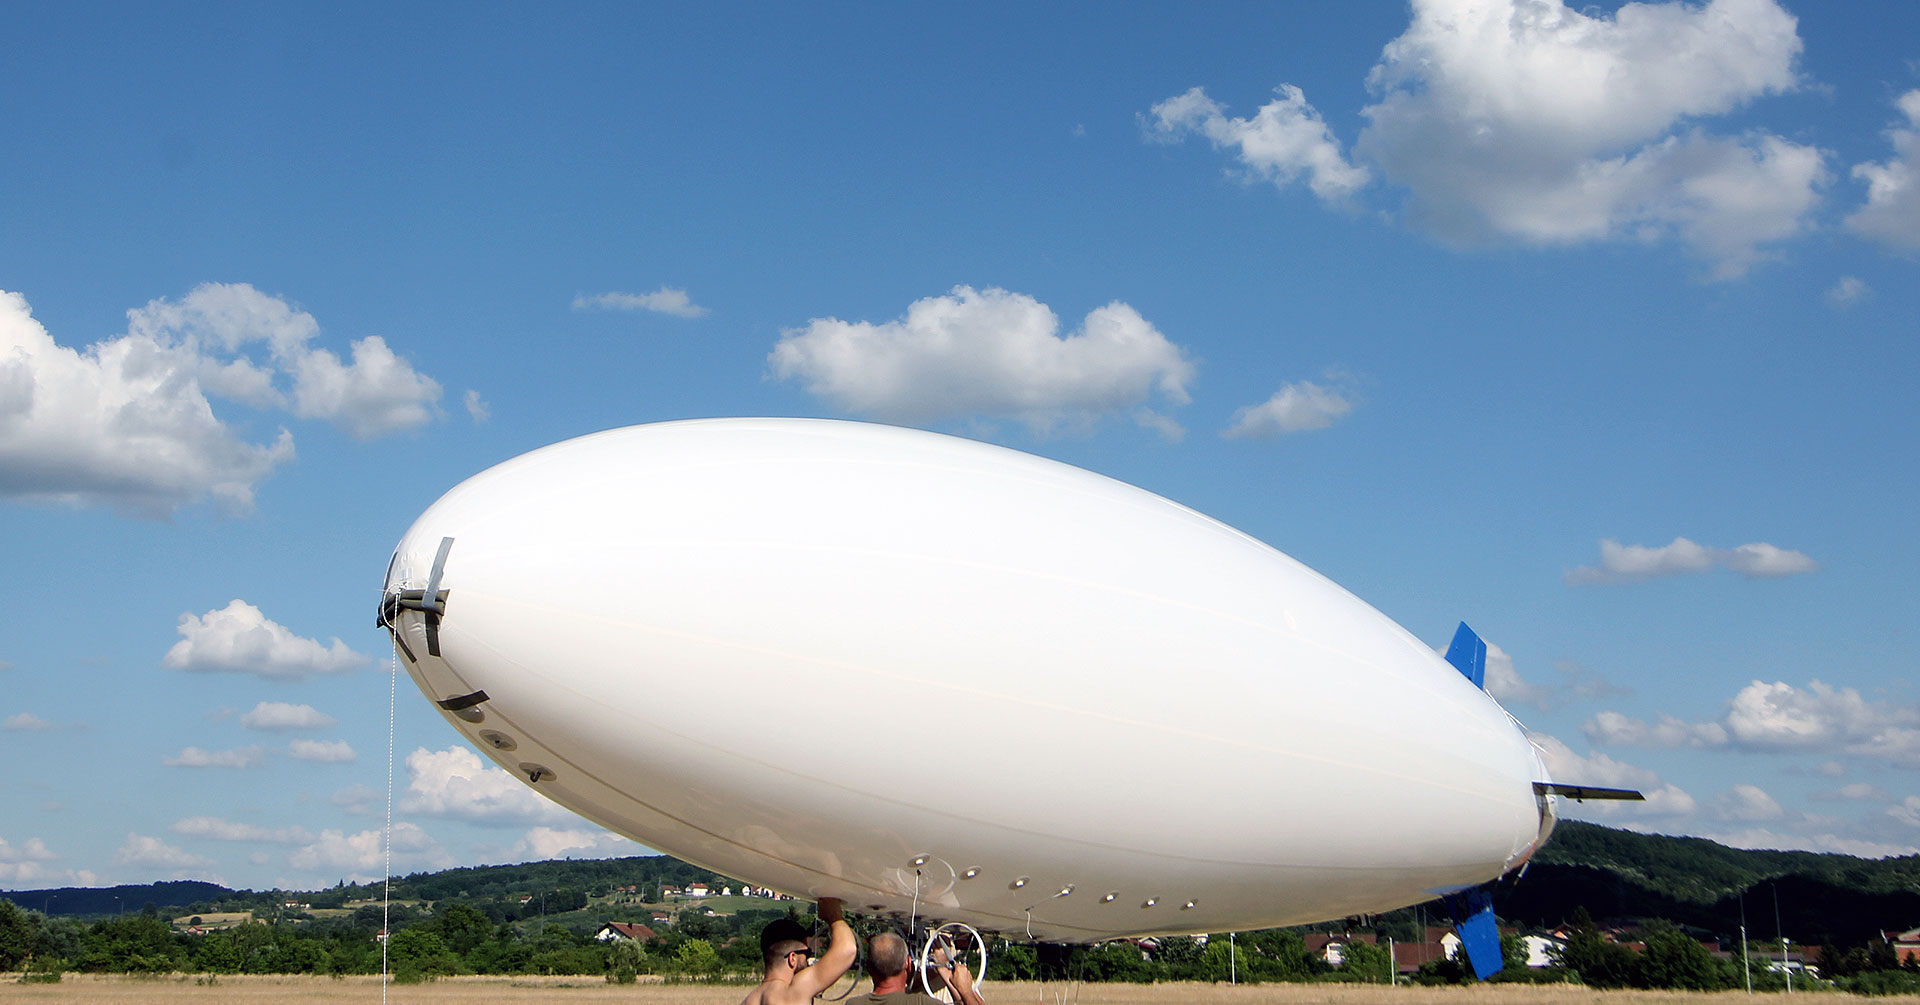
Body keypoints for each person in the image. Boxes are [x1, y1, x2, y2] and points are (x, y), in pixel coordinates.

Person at [740, 897, 856, 1005]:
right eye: (806, 953)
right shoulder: (796, 990)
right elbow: (847, 949)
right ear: (792, 958)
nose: (807, 959)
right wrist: (833, 917)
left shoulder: (749, 1000)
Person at [852, 929, 986, 1005]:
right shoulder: (921, 1003)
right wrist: (964, 989)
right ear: (909, 963)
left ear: (868, 967)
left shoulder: (853, 1004)